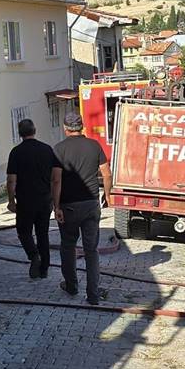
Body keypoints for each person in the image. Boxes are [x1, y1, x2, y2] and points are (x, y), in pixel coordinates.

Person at [52, 112, 112, 305]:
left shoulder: (59, 149)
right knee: (91, 250)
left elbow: (56, 179)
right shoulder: (94, 146)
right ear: (82, 126)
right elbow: (106, 173)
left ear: (65, 128)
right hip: (90, 205)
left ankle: (71, 286)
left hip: (68, 206)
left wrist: (56, 206)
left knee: (68, 247)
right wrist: (108, 195)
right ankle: (93, 294)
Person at [6, 119, 62, 279]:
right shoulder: (47, 150)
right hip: (45, 200)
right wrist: (55, 201)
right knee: (42, 233)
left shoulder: (16, 152)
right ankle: (44, 269)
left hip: (25, 200)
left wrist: (11, 201)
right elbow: (56, 177)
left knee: (24, 232)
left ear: (19, 133)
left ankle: (33, 256)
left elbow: (11, 180)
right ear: (34, 130)